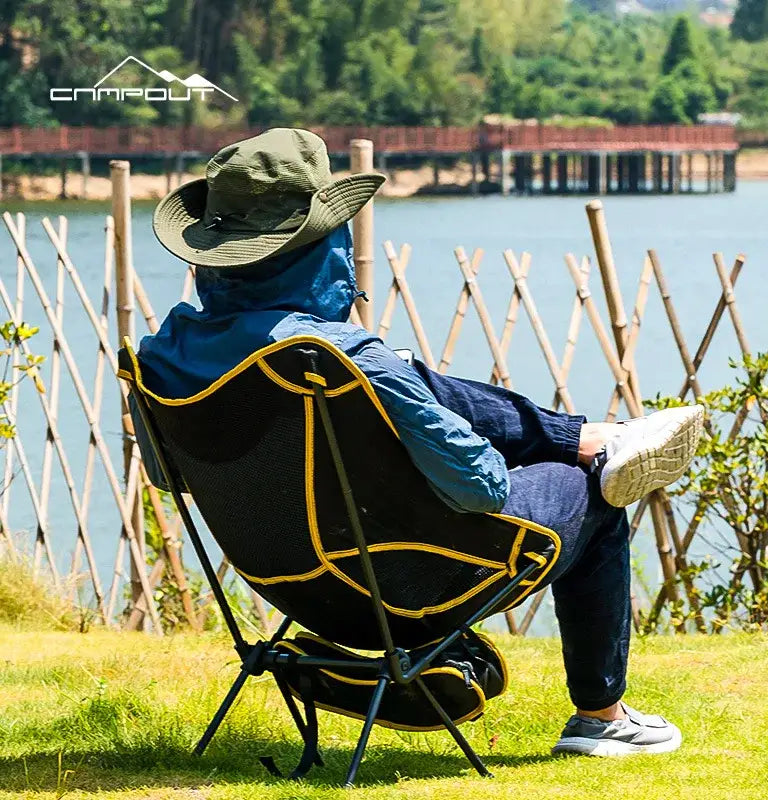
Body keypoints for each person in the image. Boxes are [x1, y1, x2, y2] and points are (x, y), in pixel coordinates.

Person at [133, 128, 703, 758]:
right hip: (400, 586)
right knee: (593, 491)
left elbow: (170, 476)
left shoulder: (162, 357)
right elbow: (480, 485)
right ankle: (601, 715)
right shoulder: (337, 360)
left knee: (415, 378)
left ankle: (590, 436)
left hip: (287, 584)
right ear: (320, 250)